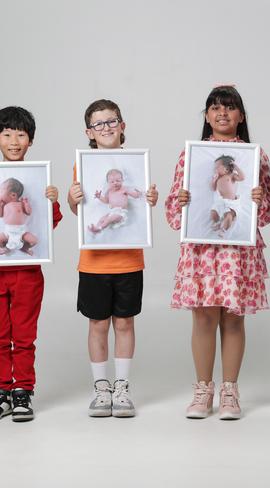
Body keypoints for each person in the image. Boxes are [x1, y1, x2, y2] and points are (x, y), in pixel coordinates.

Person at [165, 85, 270, 420]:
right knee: (203, 316)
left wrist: (258, 200)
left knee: (233, 318)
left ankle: (229, 390)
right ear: (207, 115)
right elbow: (174, 208)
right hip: (202, 248)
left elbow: (268, 212)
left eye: (229, 108)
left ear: (241, 116)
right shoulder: (192, 155)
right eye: (215, 107)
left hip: (238, 251)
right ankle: (203, 389)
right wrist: (181, 203)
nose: (222, 113)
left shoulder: (255, 156)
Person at [67, 99, 158, 418]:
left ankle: (122, 387)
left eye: (111, 121)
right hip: (93, 260)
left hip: (129, 260)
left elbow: (141, 204)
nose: (105, 128)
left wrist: (150, 199)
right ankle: (100, 388)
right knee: (97, 324)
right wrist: (72, 199)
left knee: (125, 322)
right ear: (88, 132)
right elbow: (78, 209)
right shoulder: (84, 164)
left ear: (122, 125)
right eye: (98, 124)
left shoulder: (135, 165)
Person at [0, 106, 62, 422]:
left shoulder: (38, 181)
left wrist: (50, 200)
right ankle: (2, 390)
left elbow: (45, 228)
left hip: (27, 274)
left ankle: (22, 390)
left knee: (23, 336)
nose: (13, 141)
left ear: (30, 141)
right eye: (7, 134)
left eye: (20, 135)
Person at [88, 169, 142, 234]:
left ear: (122, 180)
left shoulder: (124, 189)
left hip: (121, 213)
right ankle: (95, 228)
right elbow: (106, 201)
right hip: (112, 212)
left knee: (109, 219)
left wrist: (138, 194)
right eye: (112, 182)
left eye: (118, 181)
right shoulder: (109, 191)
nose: (115, 183)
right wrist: (99, 197)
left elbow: (134, 195)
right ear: (108, 182)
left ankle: (100, 228)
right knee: (102, 218)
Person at [0, 178, 38, 255]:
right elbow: (1, 215)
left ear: (13, 195)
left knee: (34, 241)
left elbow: (28, 212)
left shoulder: (21, 204)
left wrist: (26, 204)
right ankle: (4, 248)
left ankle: (24, 248)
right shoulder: (4, 205)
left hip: (22, 233)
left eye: (0, 191)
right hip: (7, 232)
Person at [210, 155, 244, 234]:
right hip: (221, 203)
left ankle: (223, 230)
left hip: (231, 204)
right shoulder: (217, 177)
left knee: (229, 216)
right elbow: (213, 188)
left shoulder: (232, 176)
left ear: (226, 169)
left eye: (217, 167)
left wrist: (236, 168)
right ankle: (217, 223)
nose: (215, 169)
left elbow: (242, 178)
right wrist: (214, 180)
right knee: (213, 213)